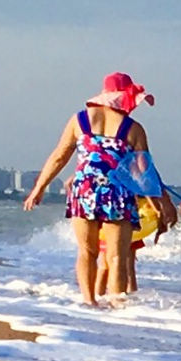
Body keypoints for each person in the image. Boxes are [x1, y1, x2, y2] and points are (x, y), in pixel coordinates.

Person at [22, 73, 166, 307]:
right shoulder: (134, 129)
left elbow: (59, 157)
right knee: (117, 255)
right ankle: (116, 305)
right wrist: (159, 206)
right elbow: (143, 173)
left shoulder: (79, 120)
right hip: (118, 192)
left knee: (87, 251)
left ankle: (89, 302)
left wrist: (39, 187)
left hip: (85, 189)